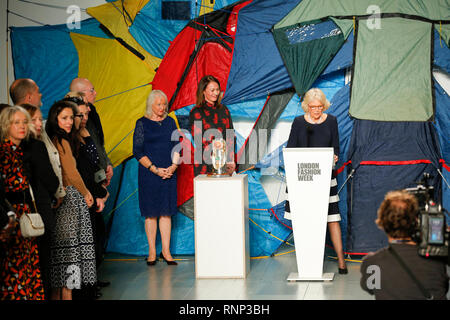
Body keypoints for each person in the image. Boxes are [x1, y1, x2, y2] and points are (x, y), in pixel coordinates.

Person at [286, 87, 347, 274]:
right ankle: (307, 265)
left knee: (332, 219)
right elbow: (290, 150)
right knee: (304, 220)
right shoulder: (297, 122)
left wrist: (335, 157)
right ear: (306, 106)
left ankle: (341, 261)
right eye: (313, 107)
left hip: (325, 180)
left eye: (320, 106)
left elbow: (335, 148)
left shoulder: (332, 121)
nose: (317, 110)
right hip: (302, 180)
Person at [46, 100, 97, 300]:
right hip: (70, 200)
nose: (69, 122)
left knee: (63, 257)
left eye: (71, 118)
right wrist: (85, 192)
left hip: (64, 200)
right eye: (64, 118)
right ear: (55, 119)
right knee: (71, 255)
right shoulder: (62, 141)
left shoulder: (54, 139)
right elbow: (72, 172)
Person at [62, 92, 109, 299]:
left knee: (90, 245)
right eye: (77, 115)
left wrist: (100, 190)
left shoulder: (85, 132)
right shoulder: (66, 140)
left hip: (91, 191)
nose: (82, 118)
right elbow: (75, 172)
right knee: (74, 251)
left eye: (82, 115)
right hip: (76, 198)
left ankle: (89, 287)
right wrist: (91, 193)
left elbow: (92, 164)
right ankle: (78, 291)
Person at [360, 190, 449, 300]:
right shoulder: (437, 262)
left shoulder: (372, 264)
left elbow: (369, 287)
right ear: (416, 222)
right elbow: (443, 287)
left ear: (383, 222)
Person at [0, 105, 45, 299]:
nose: (22, 126)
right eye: (16, 123)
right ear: (5, 125)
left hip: (25, 214)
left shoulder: (20, 151)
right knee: (14, 268)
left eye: (24, 122)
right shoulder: (3, 151)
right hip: (10, 216)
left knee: (28, 265)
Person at [133, 90, 179, 266]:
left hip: (169, 173)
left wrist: (173, 167)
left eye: (164, 104)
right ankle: (152, 251)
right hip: (149, 174)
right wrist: (155, 169)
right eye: (159, 104)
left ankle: (166, 251)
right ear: (150, 105)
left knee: (166, 213)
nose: (162, 107)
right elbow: (137, 151)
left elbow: (177, 147)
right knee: (151, 214)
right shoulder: (141, 123)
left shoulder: (170, 122)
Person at [20, 103, 60, 299]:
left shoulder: (19, 147)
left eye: (39, 119)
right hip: (41, 208)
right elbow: (49, 177)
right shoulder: (36, 146)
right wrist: (58, 192)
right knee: (44, 259)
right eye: (33, 120)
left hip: (28, 209)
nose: (38, 124)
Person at [188, 75, 236, 176]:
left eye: (217, 90)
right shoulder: (196, 112)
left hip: (224, 162)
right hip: (205, 163)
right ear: (203, 91)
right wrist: (217, 151)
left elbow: (230, 135)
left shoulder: (224, 110)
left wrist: (230, 159)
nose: (216, 93)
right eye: (212, 90)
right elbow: (198, 139)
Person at [69, 78, 113, 186]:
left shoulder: (92, 114)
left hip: (98, 180)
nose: (95, 93)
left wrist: (107, 164)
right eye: (92, 90)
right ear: (80, 94)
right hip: (85, 185)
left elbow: (98, 144)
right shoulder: (71, 124)